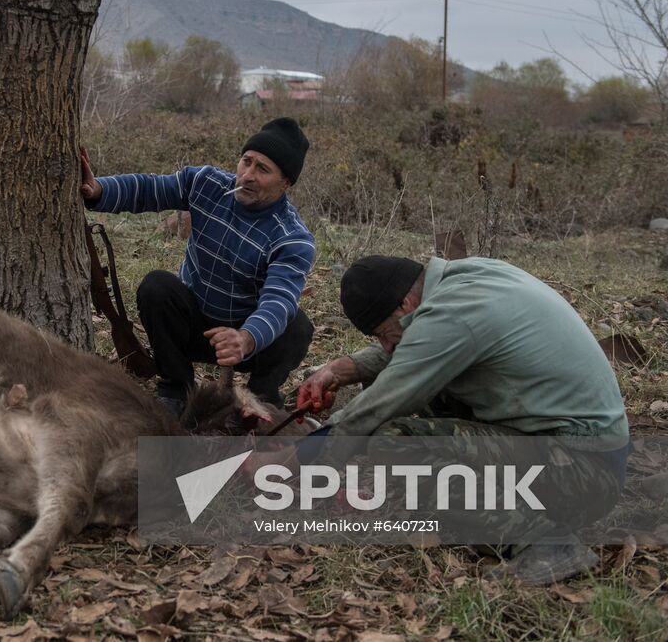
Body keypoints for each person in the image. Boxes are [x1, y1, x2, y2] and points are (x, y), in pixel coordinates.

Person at [295, 254, 631, 584]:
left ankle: (545, 543)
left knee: (393, 439)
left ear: (407, 304)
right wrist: (339, 369)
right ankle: (497, 512)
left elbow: (380, 402)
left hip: (581, 474)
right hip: (581, 454)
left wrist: (298, 458)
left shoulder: (456, 315)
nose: (385, 345)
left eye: (384, 333)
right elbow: (418, 347)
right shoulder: (465, 280)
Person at [80, 117, 316, 415]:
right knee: (157, 287)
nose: (247, 175)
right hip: (195, 326)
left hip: (248, 341)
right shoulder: (207, 184)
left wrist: (246, 338)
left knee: (296, 326)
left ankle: (259, 398)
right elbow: (149, 189)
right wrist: (99, 189)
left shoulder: (292, 238)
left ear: (286, 183)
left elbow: (278, 301)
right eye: (246, 162)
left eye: (263, 169)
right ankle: (176, 387)